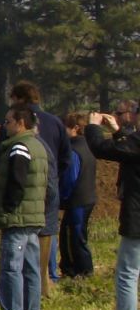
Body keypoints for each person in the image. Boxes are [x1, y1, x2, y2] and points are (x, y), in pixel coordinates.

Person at [0, 80, 70, 297]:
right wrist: (51, 176)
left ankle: (20, 295)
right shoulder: (55, 122)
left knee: (17, 239)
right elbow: (66, 157)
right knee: (45, 234)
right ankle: (44, 283)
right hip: (48, 186)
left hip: (21, 188)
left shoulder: (13, 124)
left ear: (18, 99)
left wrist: (7, 178)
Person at [86, 100, 140, 310]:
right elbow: (129, 148)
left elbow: (101, 149)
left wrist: (93, 126)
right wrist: (118, 131)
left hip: (137, 220)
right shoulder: (134, 141)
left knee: (127, 273)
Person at [0, 105, 48, 310]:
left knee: (11, 267)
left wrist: (8, 208)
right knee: (31, 267)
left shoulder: (19, 148)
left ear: (20, 123)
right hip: (33, 216)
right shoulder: (39, 146)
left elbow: (17, 181)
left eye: (7, 122)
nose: (4, 126)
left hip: (18, 217)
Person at [60, 111, 97, 279]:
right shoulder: (89, 146)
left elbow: (70, 178)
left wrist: (62, 198)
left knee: (72, 236)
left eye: (65, 127)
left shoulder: (74, 150)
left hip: (77, 200)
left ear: (75, 128)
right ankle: (84, 269)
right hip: (88, 197)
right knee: (79, 234)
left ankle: (78, 270)